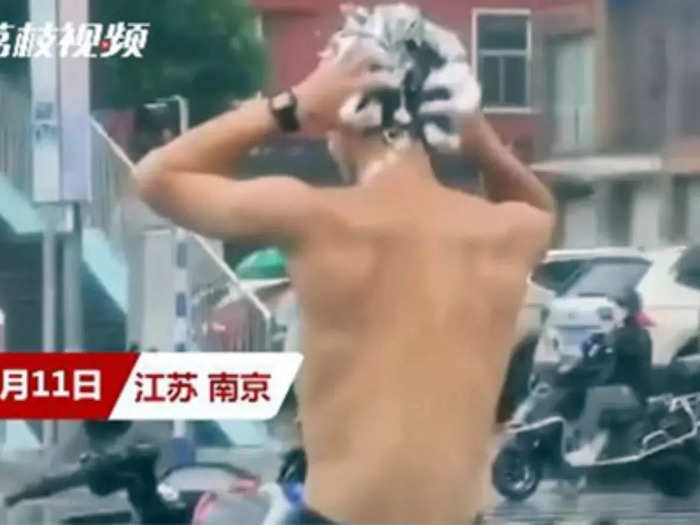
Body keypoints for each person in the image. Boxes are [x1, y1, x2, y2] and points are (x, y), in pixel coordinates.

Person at [134, 5, 554, 523]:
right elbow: (541, 208)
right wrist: (481, 139)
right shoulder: (503, 233)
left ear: (344, 110)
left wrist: (292, 105)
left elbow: (155, 177)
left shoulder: (318, 219)